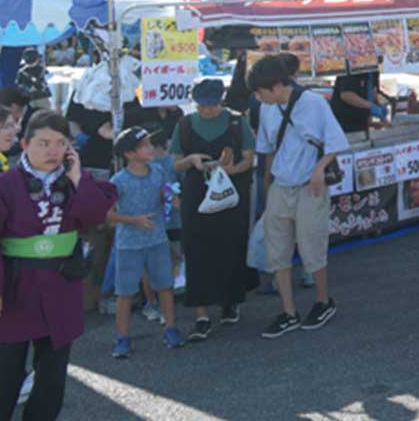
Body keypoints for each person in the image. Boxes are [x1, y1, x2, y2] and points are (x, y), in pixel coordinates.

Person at [0, 110, 116, 419]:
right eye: (43, 143)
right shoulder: (3, 184)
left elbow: (95, 216)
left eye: (61, 143)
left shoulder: (74, 180)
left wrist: (77, 177)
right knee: (3, 377)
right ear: (25, 143)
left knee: (52, 376)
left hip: (61, 285)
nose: (52, 151)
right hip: (14, 286)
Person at [250, 54, 347, 338]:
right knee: (276, 249)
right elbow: (267, 148)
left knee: (311, 245)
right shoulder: (267, 108)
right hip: (281, 184)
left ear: (277, 85)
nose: (258, 97)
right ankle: (288, 311)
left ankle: (322, 300)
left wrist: (319, 168)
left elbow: (336, 141)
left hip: (309, 184)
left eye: (260, 91)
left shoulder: (314, 103)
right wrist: (268, 185)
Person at [173, 79, 257, 341]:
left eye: (211, 105)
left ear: (221, 101)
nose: (207, 110)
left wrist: (229, 169)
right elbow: (176, 162)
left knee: (230, 246)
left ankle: (230, 302)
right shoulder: (185, 124)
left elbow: (249, 157)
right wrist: (192, 160)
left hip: (231, 195)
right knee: (196, 249)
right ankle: (201, 314)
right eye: (202, 106)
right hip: (196, 195)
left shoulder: (235, 121)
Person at [107, 127, 185, 356]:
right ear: (129, 154)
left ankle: (171, 328)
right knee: (125, 292)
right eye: (144, 145)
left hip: (157, 239)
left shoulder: (158, 171)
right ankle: (122, 339)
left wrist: (171, 198)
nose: (150, 148)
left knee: (165, 286)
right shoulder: (118, 180)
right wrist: (134, 220)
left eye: (150, 143)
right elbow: (108, 215)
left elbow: (165, 195)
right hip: (128, 244)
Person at [328, 68, 385, 135]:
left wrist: (378, 105)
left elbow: (373, 91)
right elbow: (346, 95)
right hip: (344, 123)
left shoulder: (374, 70)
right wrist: (371, 106)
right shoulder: (354, 68)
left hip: (361, 122)